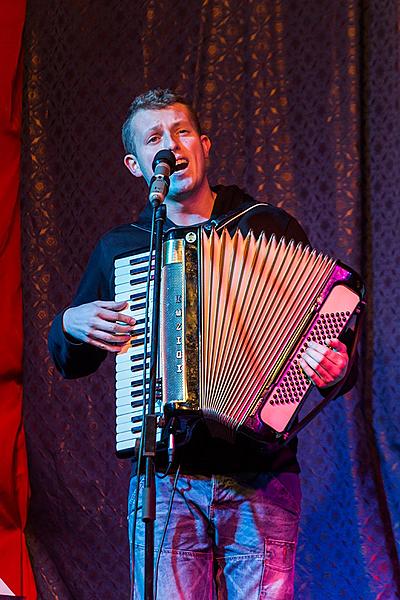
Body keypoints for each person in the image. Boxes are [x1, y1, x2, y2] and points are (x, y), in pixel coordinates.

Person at [48, 89, 353, 599]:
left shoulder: (265, 227)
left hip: (262, 475)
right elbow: (70, 361)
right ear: (135, 165)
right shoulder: (123, 249)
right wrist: (68, 322)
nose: (171, 146)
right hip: (166, 481)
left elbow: (328, 334)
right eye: (154, 138)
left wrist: (336, 365)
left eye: (182, 132)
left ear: (205, 145)